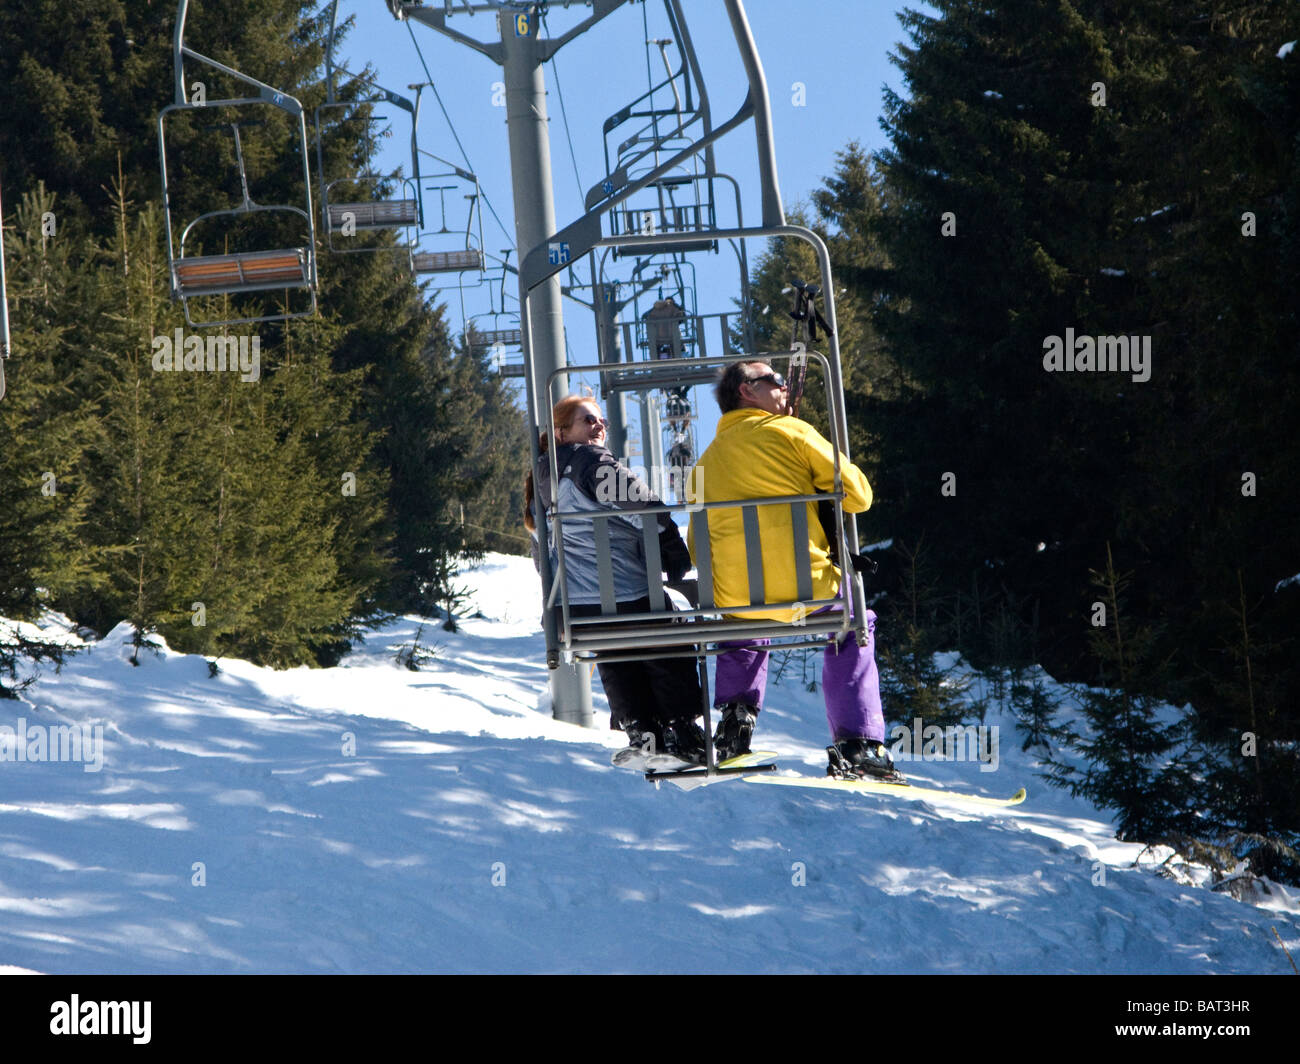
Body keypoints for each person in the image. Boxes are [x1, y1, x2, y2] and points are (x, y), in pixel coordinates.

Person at [688, 360, 902, 781]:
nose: (785, 389)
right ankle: (858, 743)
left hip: (739, 601)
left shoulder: (701, 465)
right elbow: (859, 495)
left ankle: (735, 723)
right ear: (748, 391)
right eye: (776, 381)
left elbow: (699, 547)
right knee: (853, 622)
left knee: (741, 618)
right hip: (811, 592)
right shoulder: (792, 432)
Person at [525, 395, 707, 763]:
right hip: (627, 596)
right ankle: (682, 728)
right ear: (562, 433)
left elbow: (540, 554)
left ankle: (643, 730)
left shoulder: (541, 482)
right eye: (587, 420)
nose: (599, 426)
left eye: (601, 420)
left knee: (615, 646)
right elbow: (647, 509)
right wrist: (670, 544)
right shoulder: (590, 463)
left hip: (576, 611)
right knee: (668, 634)